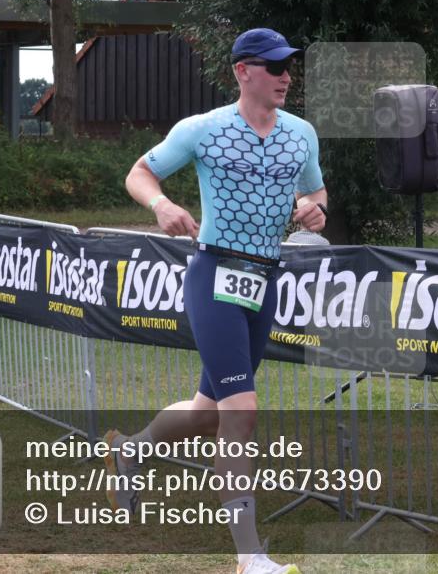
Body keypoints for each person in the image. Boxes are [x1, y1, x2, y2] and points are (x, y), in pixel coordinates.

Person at [107, 28, 327, 574]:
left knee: (210, 411)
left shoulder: (301, 135)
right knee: (242, 412)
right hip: (214, 276)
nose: (285, 76)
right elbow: (139, 173)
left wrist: (313, 206)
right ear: (242, 72)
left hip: (264, 280)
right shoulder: (204, 130)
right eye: (274, 67)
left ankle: (130, 450)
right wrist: (160, 204)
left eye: (288, 67)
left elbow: (316, 190)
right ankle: (250, 558)